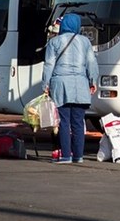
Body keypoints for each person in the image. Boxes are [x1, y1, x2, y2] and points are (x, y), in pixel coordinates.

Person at [42, 13, 99, 163]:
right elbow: (91, 63)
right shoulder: (85, 41)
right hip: (80, 84)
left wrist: (45, 84)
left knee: (63, 122)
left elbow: (49, 65)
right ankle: (78, 156)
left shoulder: (54, 42)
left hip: (60, 84)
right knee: (79, 122)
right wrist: (93, 81)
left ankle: (66, 155)